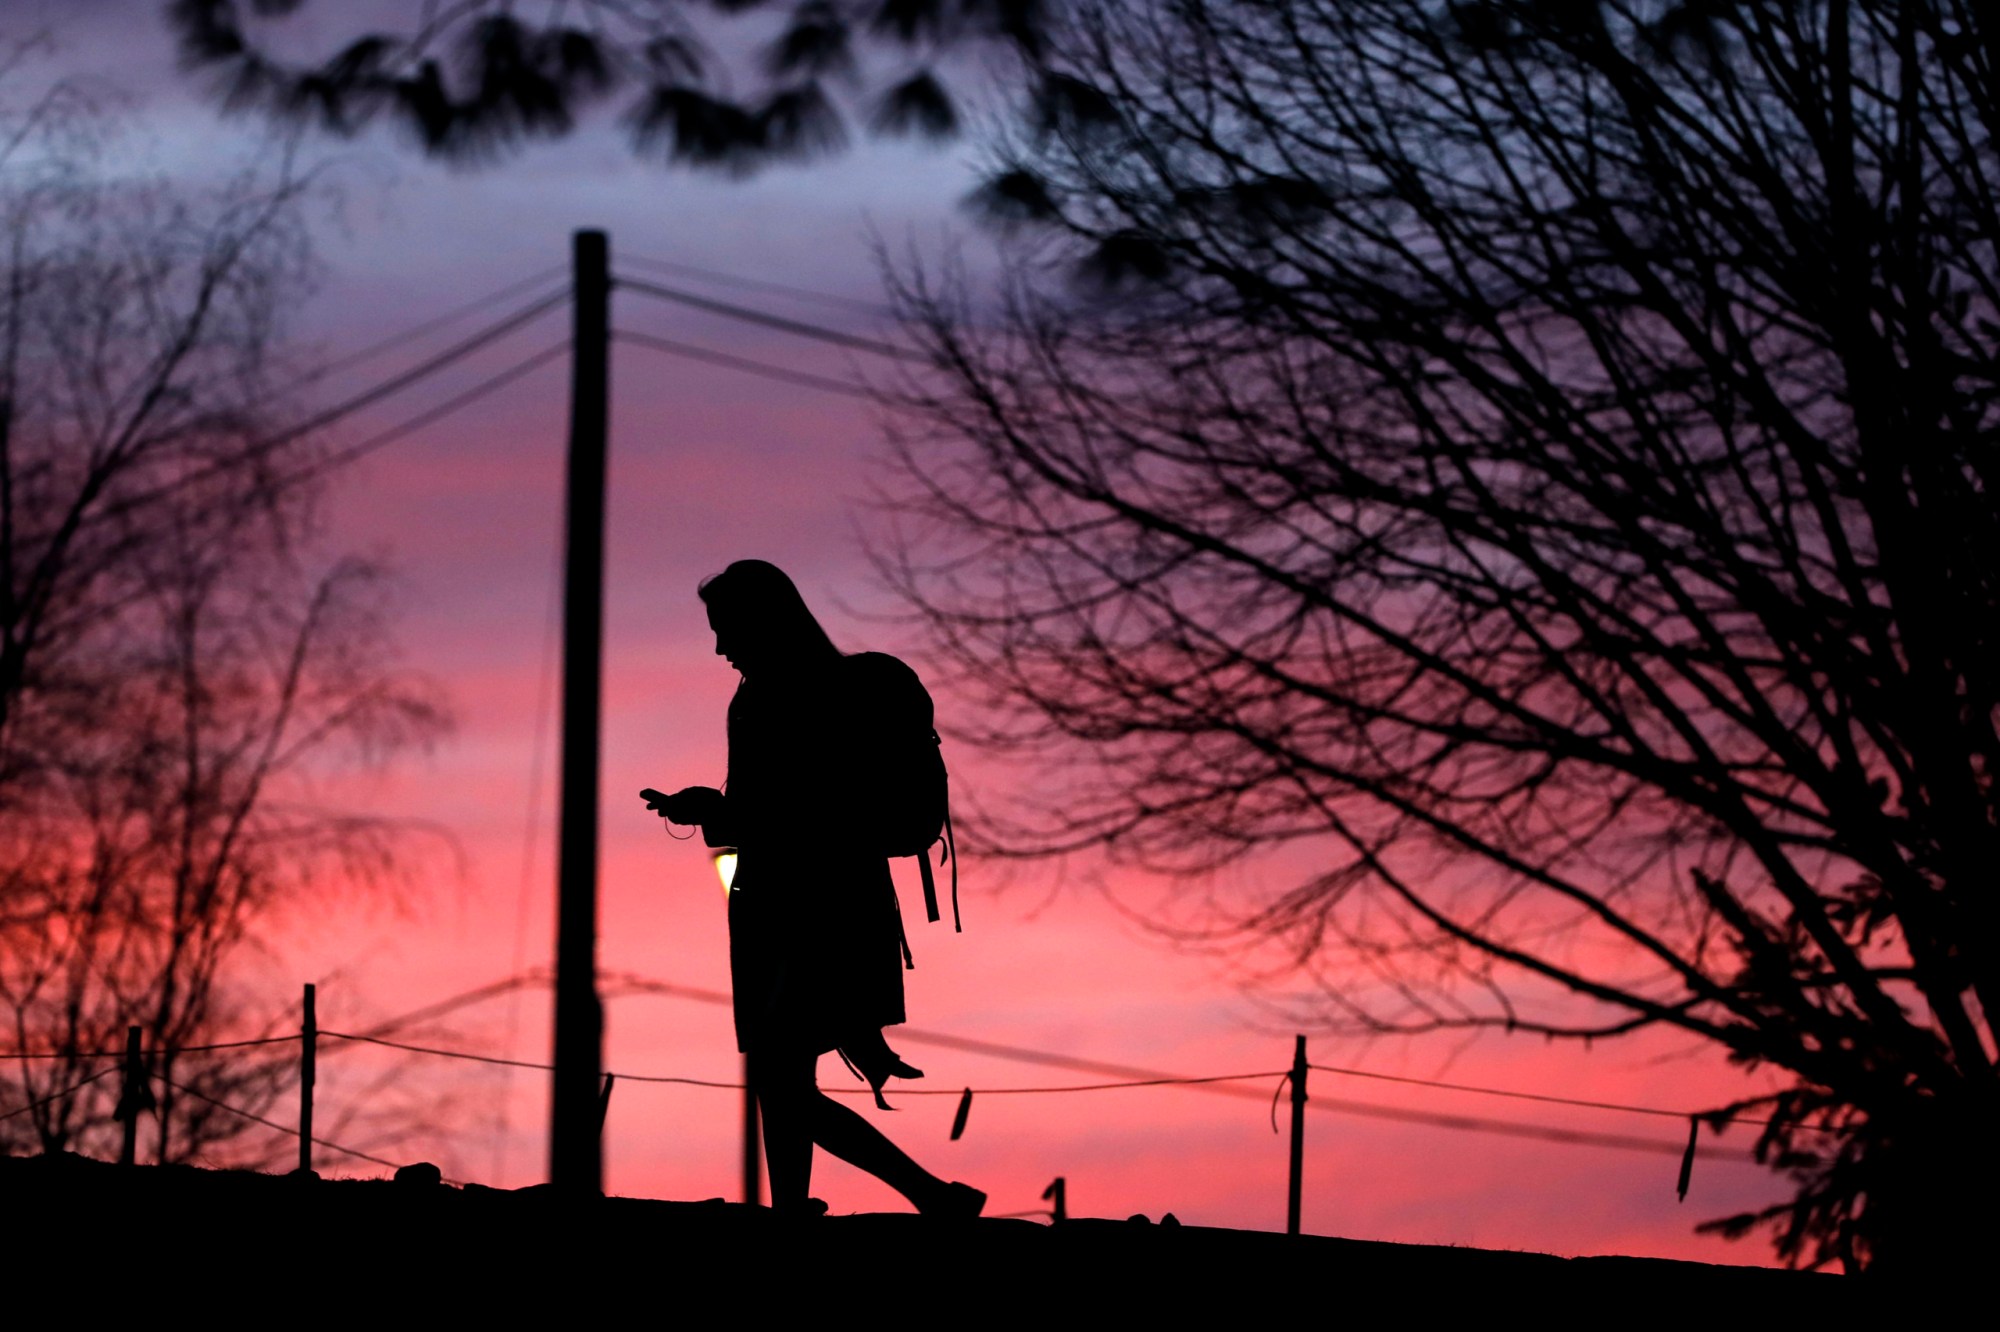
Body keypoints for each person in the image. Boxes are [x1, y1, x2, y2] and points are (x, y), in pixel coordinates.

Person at [644, 559, 985, 1219]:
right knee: (784, 1073)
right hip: (807, 902)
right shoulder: (777, 697)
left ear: (764, 621)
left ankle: (927, 1196)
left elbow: (784, 815)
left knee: (780, 1073)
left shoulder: (775, 702)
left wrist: (710, 811)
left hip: (811, 909)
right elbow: (771, 814)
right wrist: (711, 810)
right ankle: (797, 1205)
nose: (719, 647)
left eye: (726, 628)